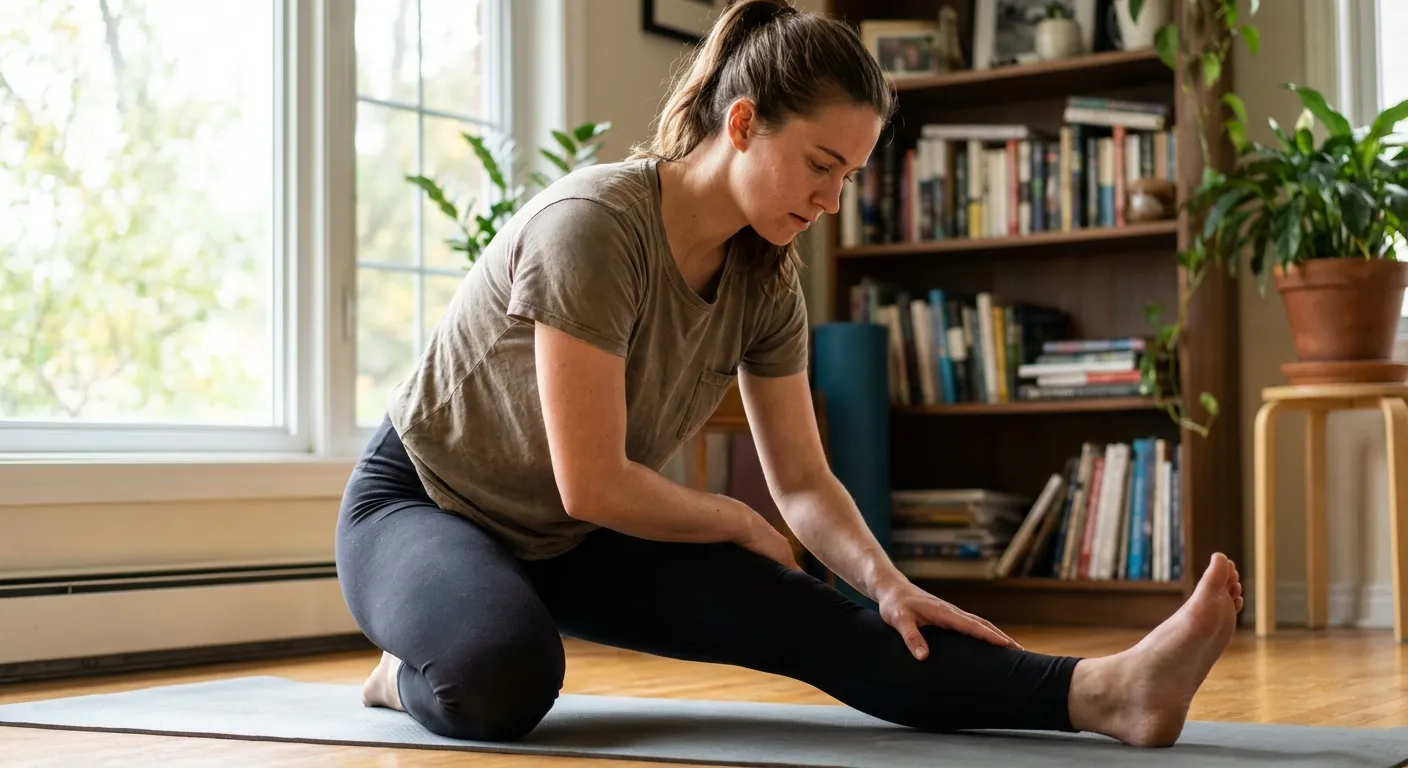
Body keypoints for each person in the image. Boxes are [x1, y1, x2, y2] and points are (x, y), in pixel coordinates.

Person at [335, 0, 1244, 750]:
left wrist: (886, 584)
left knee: (826, 618)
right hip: (426, 504)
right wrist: (732, 517)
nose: (831, 200)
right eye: (820, 165)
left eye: (847, 174)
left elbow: (804, 482)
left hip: (567, 543)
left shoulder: (766, 274)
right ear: (742, 124)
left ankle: (1105, 692)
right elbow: (593, 482)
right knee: (504, 675)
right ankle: (403, 668)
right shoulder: (594, 229)